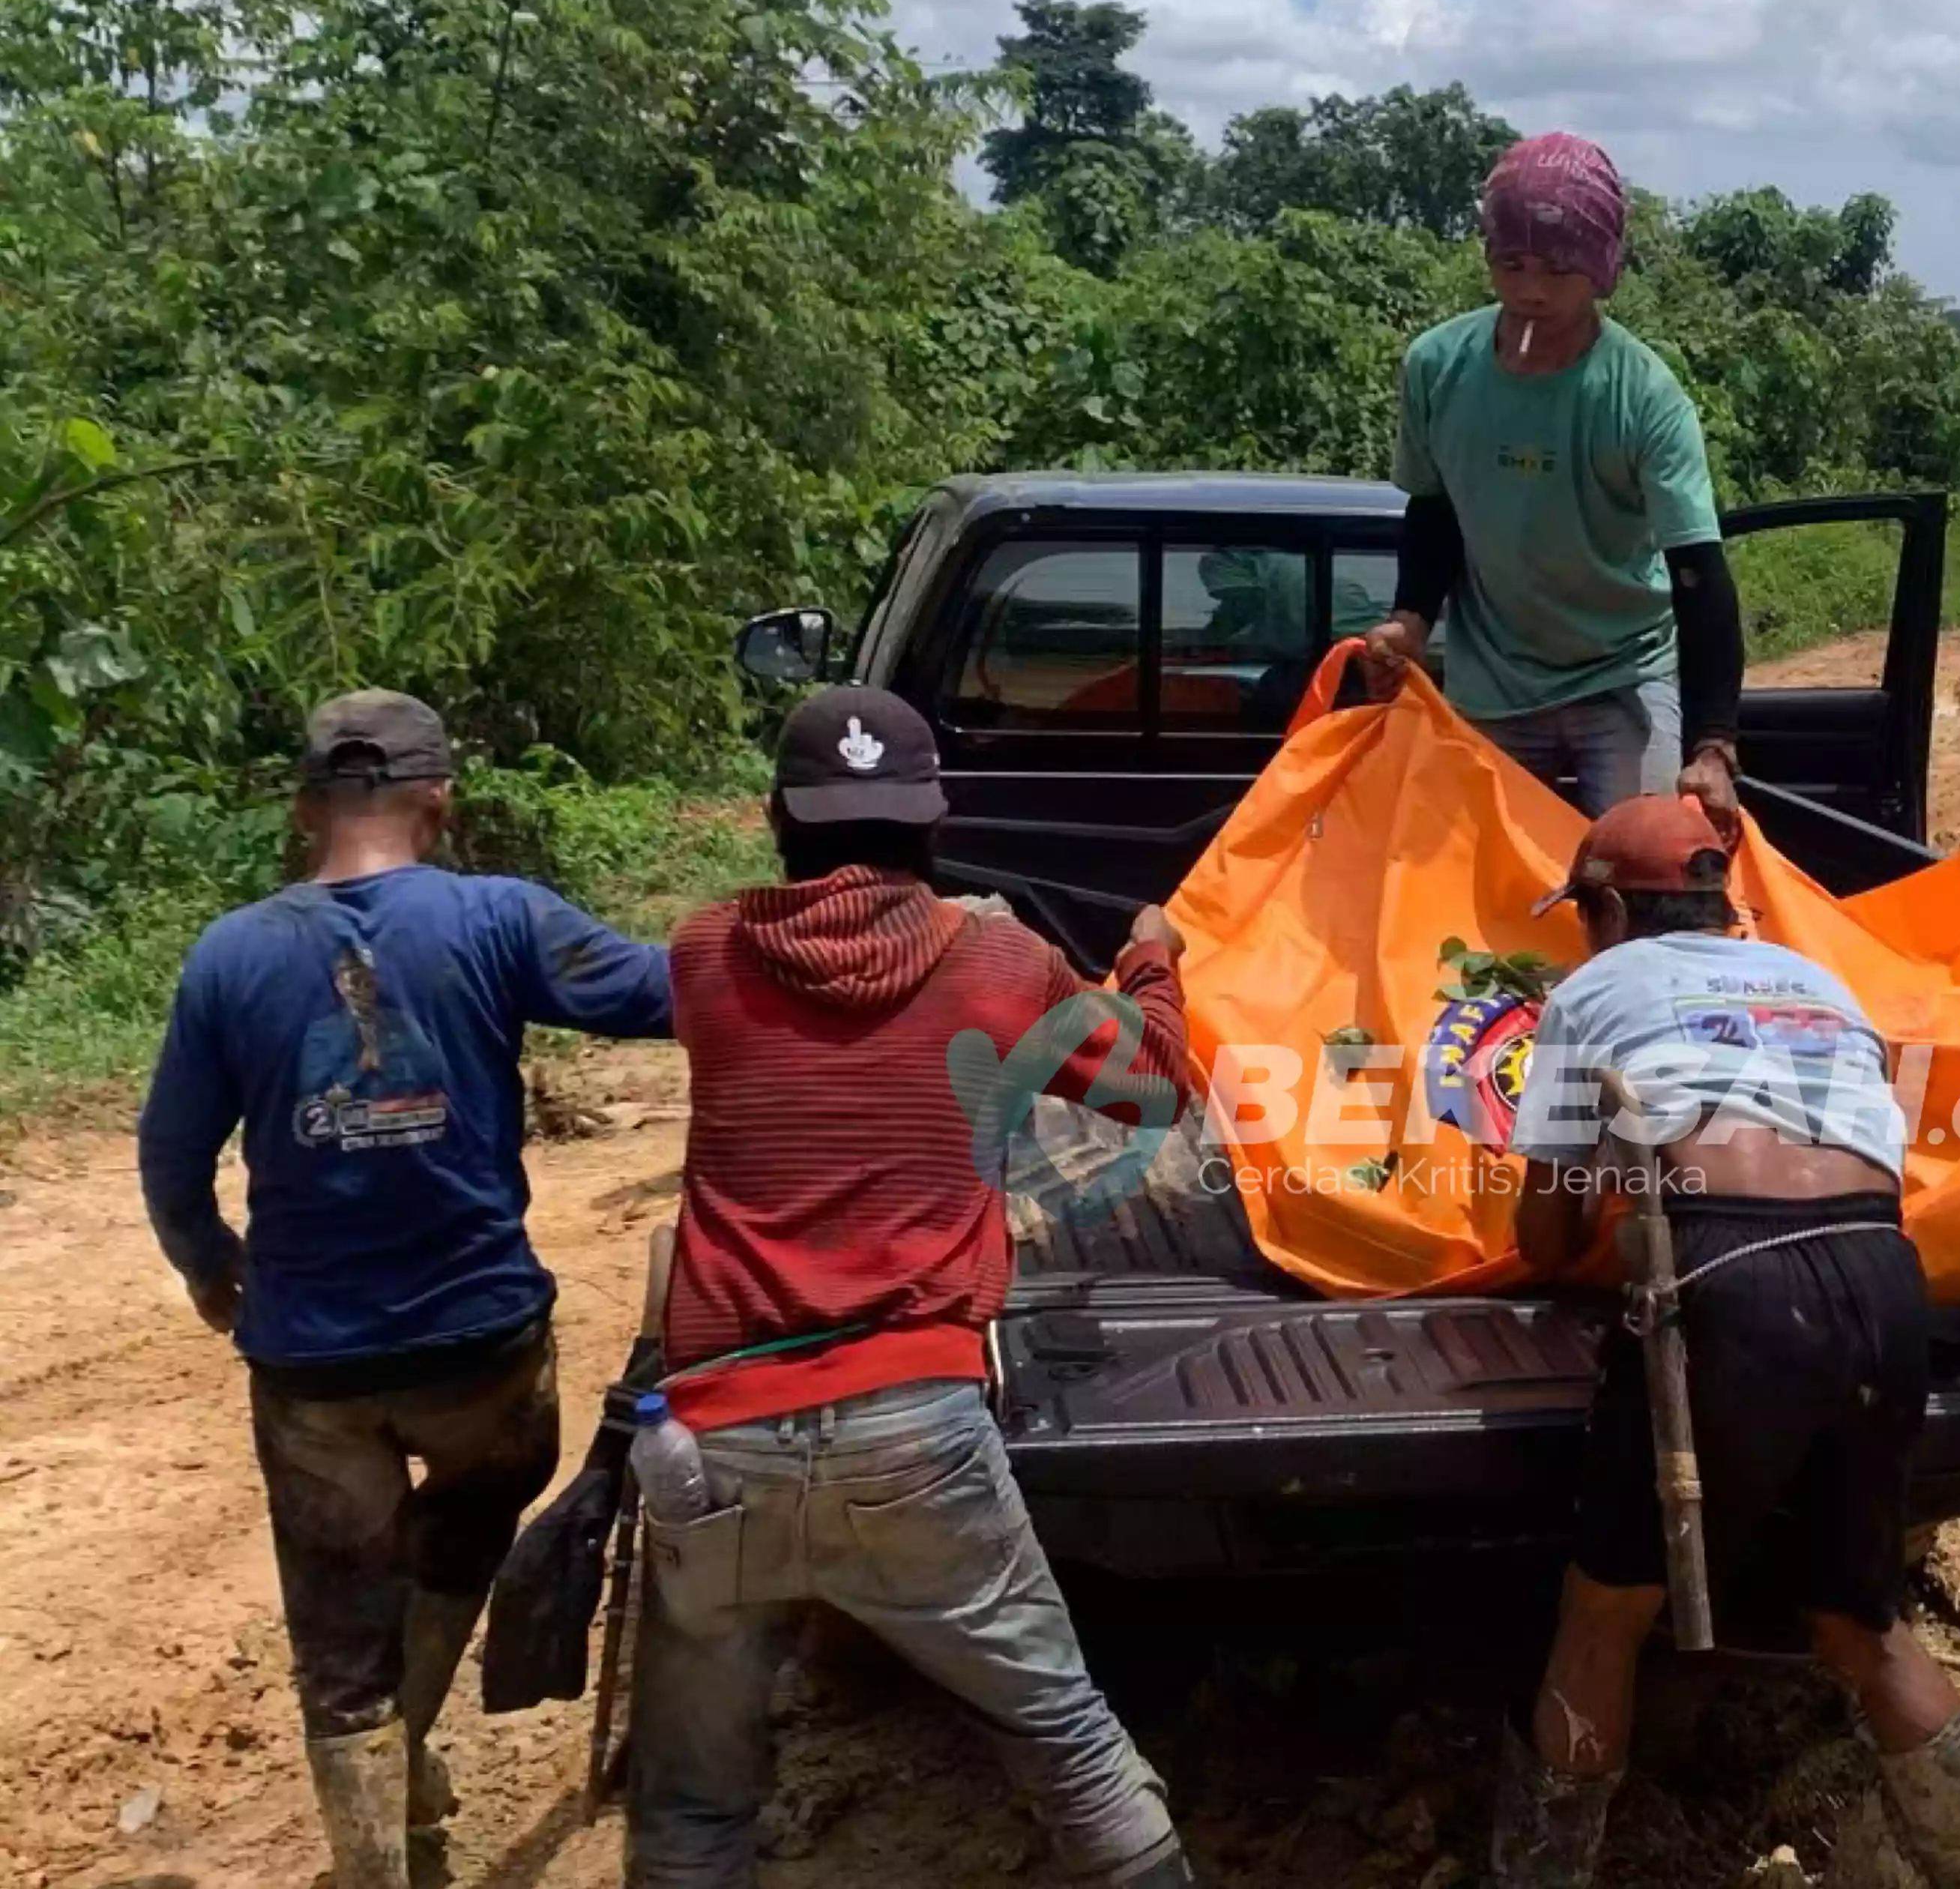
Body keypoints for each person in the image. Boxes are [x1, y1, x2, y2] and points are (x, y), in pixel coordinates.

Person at [624, 687, 1206, 1889]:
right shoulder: (993, 960)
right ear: (933, 820)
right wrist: (1150, 959)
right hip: (916, 1432)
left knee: (691, 1805)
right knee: (1072, 1748)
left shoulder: (702, 953)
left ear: (776, 816)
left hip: (716, 1442)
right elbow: (1154, 1088)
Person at [136, 691, 672, 1889]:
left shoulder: (231, 954)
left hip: (312, 1365)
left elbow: (171, 1160)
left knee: (338, 1632)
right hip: (478, 1346)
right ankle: (418, 1721)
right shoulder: (498, 920)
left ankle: (382, 1850)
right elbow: (665, 992)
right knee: (488, 1492)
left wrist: (209, 1264)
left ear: (301, 808)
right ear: (442, 800)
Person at [1495, 795, 1960, 1889]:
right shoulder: (1814, 981)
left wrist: (1591, 1195)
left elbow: (1543, 1238)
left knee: (1605, 1613)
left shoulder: (1592, 990)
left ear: (1603, 908)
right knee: (1863, 1623)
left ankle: (1539, 1871)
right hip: (1883, 1278)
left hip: (1729, 1281)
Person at [1361, 133, 1746, 831]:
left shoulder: (1645, 396)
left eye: (1558, 270)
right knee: (1472, 889)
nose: (1531, 290)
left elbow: (1697, 572)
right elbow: (1434, 506)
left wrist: (1713, 745)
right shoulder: (1436, 367)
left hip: (1622, 675)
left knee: (1646, 863)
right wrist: (1410, 618)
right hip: (1493, 679)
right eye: (1512, 265)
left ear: (1602, 269)